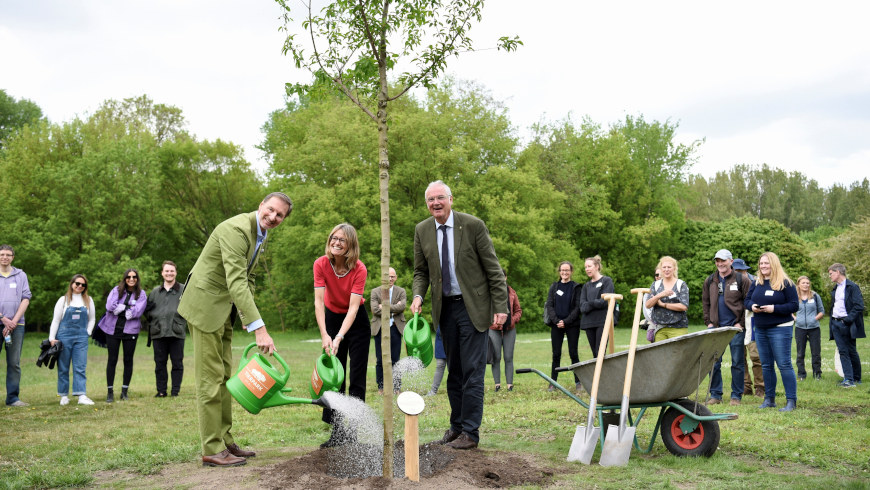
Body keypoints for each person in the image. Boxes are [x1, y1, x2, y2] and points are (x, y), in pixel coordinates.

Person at [177, 192, 291, 467]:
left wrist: (245, 313)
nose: (273, 217)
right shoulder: (236, 229)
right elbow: (236, 280)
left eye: (280, 216)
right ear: (261, 204)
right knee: (210, 379)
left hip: (224, 310)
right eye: (271, 210)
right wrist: (258, 327)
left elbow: (248, 278)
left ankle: (225, 440)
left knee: (226, 377)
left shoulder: (260, 233)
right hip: (205, 307)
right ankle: (212, 448)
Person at [411, 180, 508, 450]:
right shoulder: (422, 230)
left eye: (440, 198)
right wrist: (418, 295)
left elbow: (494, 269)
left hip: (473, 308)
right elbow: (420, 271)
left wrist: (501, 307)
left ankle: (471, 433)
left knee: (473, 371)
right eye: (430, 200)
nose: (435, 203)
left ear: (451, 199)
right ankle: (456, 427)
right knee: (454, 371)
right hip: (444, 310)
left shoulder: (473, 225)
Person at [315, 223, 370, 448]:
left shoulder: (359, 269)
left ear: (350, 245)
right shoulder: (320, 264)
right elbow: (319, 302)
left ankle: (353, 433)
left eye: (342, 240)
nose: (336, 243)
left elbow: (354, 308)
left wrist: (339, 337)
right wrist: (325, 335)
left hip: (356, 322)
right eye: (333, 238)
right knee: (336, 377)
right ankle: (337, 434)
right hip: (331, 317)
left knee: (357, 378)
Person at [745, 252, 799, 411]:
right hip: (761, 328)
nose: (763, 266)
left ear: (773, 264)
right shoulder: (756, 283)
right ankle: (769, 399)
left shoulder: (786, 283)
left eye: (766, 263)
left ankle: (791, 401)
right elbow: (747, 301)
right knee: (766, 365)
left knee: (784, 364)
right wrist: (752, 307)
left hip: (780, 329)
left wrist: (774, 309)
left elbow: (794, 306)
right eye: (761, 263)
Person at [702, 249, 750, 406]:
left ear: (731, 261)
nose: (720, 263)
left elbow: (748, 303)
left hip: (735, 328)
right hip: (715, 329)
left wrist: (740, 323)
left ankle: (736, 396)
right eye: (717, 261)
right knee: (713, 362)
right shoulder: (710, 280)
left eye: (723, 260)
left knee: (737, 362)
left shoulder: (741, 279)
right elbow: (706, 303)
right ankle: (715, 395)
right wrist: (709, 322)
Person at [98, 268, 147, 403]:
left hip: (130, 331)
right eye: (129, 277)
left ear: (137, 279)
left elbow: (137, 312)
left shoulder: (141, 294)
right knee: (112, 360)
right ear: (125, 278)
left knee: (128, 360)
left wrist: (122, 308)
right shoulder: (116, 290)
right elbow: (109, 306)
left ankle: (124, 392)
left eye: (134, 277)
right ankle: (110, 392)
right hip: (113, 330)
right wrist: (127, 309)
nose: (131, 279)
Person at [48, 274, 96, 405]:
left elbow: (92, 319)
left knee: (80, 366)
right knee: (63, 367)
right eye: (77, 283)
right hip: (64, 337)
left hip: (81, 337)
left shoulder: (88, 300)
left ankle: (81, 395)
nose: (80, 286)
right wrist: (52, 338)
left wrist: (88, 331)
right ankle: (63, 395)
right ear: (72, 284)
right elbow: (56, 320)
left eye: (83, 285)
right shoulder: (63, 300)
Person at [146, 261, 187, 397]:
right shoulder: (155, 292)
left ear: (176, 273)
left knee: (177, 363)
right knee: (160, 364)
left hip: (176, 332)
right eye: (166, 271)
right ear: (162, 273)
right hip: (158, 332)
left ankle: (175, 391)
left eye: (172, 271)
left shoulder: (183, 289)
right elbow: (148, 311)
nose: (169, 273)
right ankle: (161, 391)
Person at [0, 245, 32, 407]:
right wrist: (3, 319)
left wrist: (13, 322)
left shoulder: (21, 275)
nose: (4, 257)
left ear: (13, 257)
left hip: (16, 325)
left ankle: (12, 398)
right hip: (2, 321)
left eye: (8, 255)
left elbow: (26, 298)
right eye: (2, 254)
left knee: (14, 363)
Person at [544, 261, 581, 391]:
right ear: (559, 272)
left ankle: (578, 382)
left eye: (567, 270)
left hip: (572, 324)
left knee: (573, 353)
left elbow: (577, 307)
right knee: (556, 354)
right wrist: (556, 321)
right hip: (556, 325)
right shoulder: (554, 287)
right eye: (562, 270)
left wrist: (566, 321)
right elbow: (549, 305)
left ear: (571, 271)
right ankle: (552, 382)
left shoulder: (576, 287)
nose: (564, 272)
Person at [827, 263, 865, 388]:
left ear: (838, 272)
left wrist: (847, 320)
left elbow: (858, 305)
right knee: (843, 351)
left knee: (851, 351)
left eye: (831, 273)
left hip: (846, 323)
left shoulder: (852, 286)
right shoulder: (835, 288)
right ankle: (849, 378)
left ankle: (854, 378)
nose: (830, 276)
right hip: (835, 323)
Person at [371, 267, 406, 395]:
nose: (390, 279)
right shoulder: (375, 292)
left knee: (396, 359)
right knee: (380, 359)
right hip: (380, 329)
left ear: (395, 278)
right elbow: (375, 310)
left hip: (395, 328)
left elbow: (402, 307)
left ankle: (396, 387)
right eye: (388, 276)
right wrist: (394, 307)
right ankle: (381, 387)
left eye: (392, 276)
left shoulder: (401, 291)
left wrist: (384, 306)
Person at [733, 258, 764, 397]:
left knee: (756, 356)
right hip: (737, 322)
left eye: (742, 270)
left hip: (752, 322)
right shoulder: (729, 283)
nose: (740, 273)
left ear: (746, 270)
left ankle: (760, 387)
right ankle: (745, 386)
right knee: (740, 357)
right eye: (737, 271)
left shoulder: (757, 282)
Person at [489, 268, 521, 392]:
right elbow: (484, 311)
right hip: (494, 329)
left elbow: (518, 310)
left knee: (508, 357)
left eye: (502, 276)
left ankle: (509, 385)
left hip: (509, 329)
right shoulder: (490, 292)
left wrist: (512, 320)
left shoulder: (512, 292)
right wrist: (493, 321)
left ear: (506, 277)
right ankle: (497, 384)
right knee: (496, 357)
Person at [579, 255, 615, 358]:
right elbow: (582, 307)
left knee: (600, 353)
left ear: (596, 267)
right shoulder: (586, 286)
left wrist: (590, 303)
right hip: (589, 323)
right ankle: (598, 374)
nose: (587, 269)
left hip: (602, 321)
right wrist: (595, 303)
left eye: (589, 266)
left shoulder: (607, 281)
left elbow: (604, 302)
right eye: (585, 267)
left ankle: (603, 374)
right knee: (595, 355)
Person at [645, 256, 689, 342]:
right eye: (664, 267)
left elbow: (684, 306)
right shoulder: (655, 285)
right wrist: (659, 295)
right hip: (659, 328)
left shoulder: (681, 284)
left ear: (674, 268)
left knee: (677, 354)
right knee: (661, 355)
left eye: (669, 267)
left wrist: (663, 304)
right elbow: (648, 305)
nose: (666, 269)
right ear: (660, 269)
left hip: (678, 327)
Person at [794, 275, 824, 381]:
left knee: (816, 353)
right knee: (800, 353)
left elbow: (822, 311)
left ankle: (817, 375)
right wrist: (795, 318)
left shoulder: (815, 296)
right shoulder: (794, 296)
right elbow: (788, 309)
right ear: (798, 284)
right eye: (803, 283)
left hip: (814, 328)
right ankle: (801, 375)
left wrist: (815, 319)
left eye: (807, 283)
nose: (806, 285)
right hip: (799, 328)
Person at [427, 327, 447, 396]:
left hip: (455, 332)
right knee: (440, 364)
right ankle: (433, 391)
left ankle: (458, 390)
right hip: (441, 332)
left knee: (454, 366)